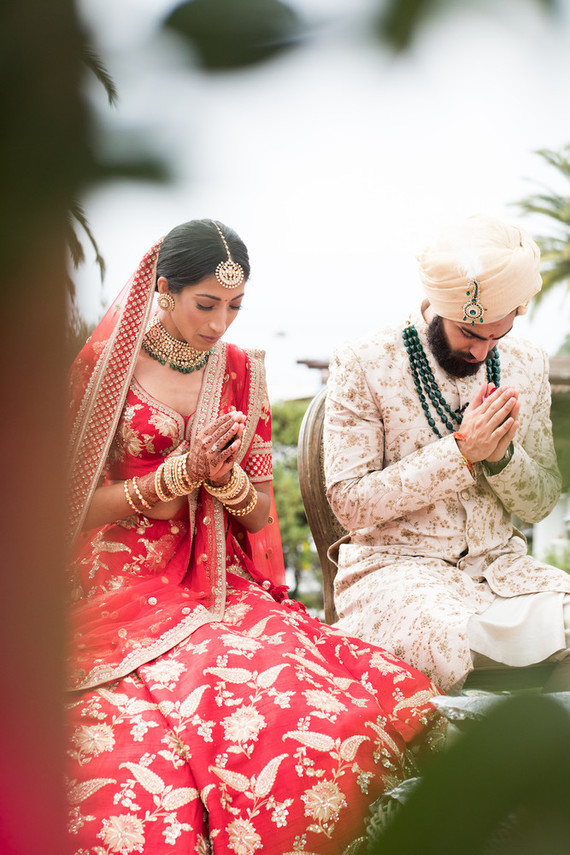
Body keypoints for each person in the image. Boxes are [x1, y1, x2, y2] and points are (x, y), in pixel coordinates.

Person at [65, 218, 444, 855]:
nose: (219, 324)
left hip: (216, 577)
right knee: (195, 699)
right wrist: (173, 476)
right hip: (121, 579)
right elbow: (66, 507)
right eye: (205, 304)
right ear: (164, 290)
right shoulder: (103, 371)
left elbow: (258, 515)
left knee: (306, 699)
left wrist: (222, 480)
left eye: (235, 307)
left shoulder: (242, 371)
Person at [324, 213, 570, 695]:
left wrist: (500, 458)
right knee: (449, 638)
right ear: (438, 305)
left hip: (505, 572)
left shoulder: (527, 362)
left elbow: (541, 502)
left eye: (495, 338)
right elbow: (349, 502)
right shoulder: (366, 360)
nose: (481, 353)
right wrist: (461, 452)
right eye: (471, 334)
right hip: (397, 572)